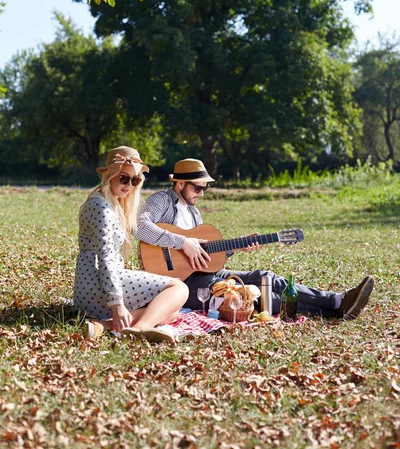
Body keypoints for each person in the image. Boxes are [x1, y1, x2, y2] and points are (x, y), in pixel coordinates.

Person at [136, 158, 374, 319]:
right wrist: (183, 242)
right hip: (178, 283)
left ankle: (337, 300)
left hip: (205, 273)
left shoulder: (193, 212)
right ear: (179, 183)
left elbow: (202, 255)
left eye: (203, 189)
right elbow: (139, 227)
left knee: (265, 278)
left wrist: (235, 248)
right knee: (248, 294)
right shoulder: (161, 201)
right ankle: (334, 312)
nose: (201, 193)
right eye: (197, 188)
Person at [73, 146, 188, 342]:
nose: (129, 185)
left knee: (171, 311)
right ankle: (141, 328)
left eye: (135, 180)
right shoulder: (100, 207)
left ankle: (101, 326)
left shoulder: (112, 203)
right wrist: (117, 304)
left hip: (94, 284)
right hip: (97, 285)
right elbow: (105, 257)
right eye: (124, 178)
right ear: (109, 176)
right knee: (179, 289)